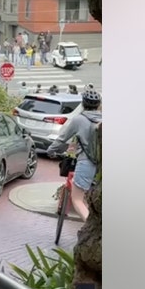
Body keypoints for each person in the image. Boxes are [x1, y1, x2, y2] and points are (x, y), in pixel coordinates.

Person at [47, 88, 102, 221]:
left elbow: (62, 139)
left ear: (82, 104)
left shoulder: (79, 120)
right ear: (99, 104)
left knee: (77, 199)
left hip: (86, 162)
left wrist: (51, 151)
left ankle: (91, 226)